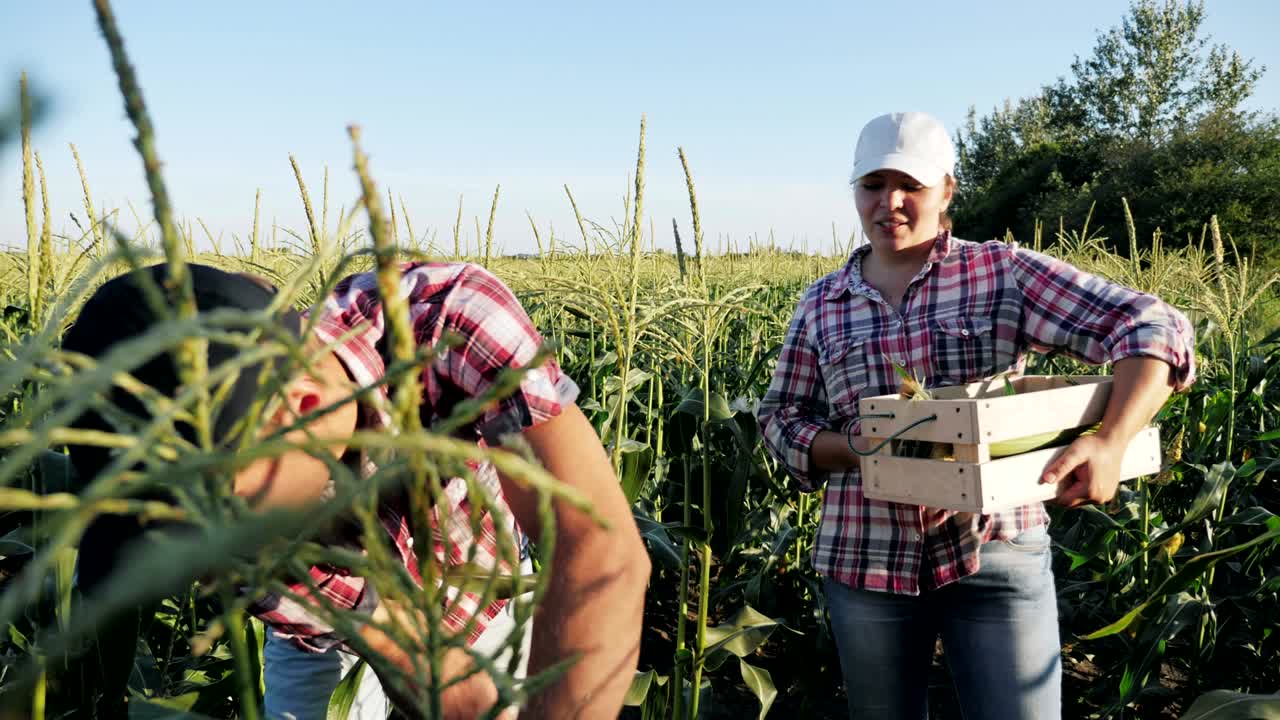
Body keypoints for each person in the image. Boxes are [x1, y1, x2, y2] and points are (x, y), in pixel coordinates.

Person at [63, 261, 650, 719]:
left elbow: (598, 550)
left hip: (484, 586)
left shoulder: (447, 324)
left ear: (305, 407)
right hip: (343, 624)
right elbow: (408, 651)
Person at [756, 111, 1196, 719]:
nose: (892, 202)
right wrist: (862, 447)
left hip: (996, 551)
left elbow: (1153, 324)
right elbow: (782, 415)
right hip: (865, 558)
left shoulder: (1002, 273)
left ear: (947, 191)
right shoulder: (822, 303)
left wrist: (1112, 441)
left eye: (911, 185)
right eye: (873, 185)